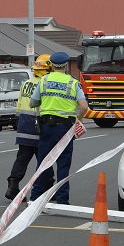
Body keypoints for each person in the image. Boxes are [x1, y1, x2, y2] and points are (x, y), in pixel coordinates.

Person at [29, 51, 88, 205]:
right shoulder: (73, 83)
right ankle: (62, 200)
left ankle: (35, 198)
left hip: (47, 127)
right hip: (66, 129)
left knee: (43, 162)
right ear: (67, 66)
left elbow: (32, 103)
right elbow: (83, 107)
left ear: (52, 65)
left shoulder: (44, 80)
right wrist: (78, 120)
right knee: (63, 165)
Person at [4, 54, 51, 200]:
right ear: (48, 69)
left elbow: (19, 107)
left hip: (24, 124)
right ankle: (49, 186)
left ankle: (13, 185)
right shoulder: (45, 84)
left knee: (22, 158)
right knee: (45, 158)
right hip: (38, 125)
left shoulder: (26, 83)